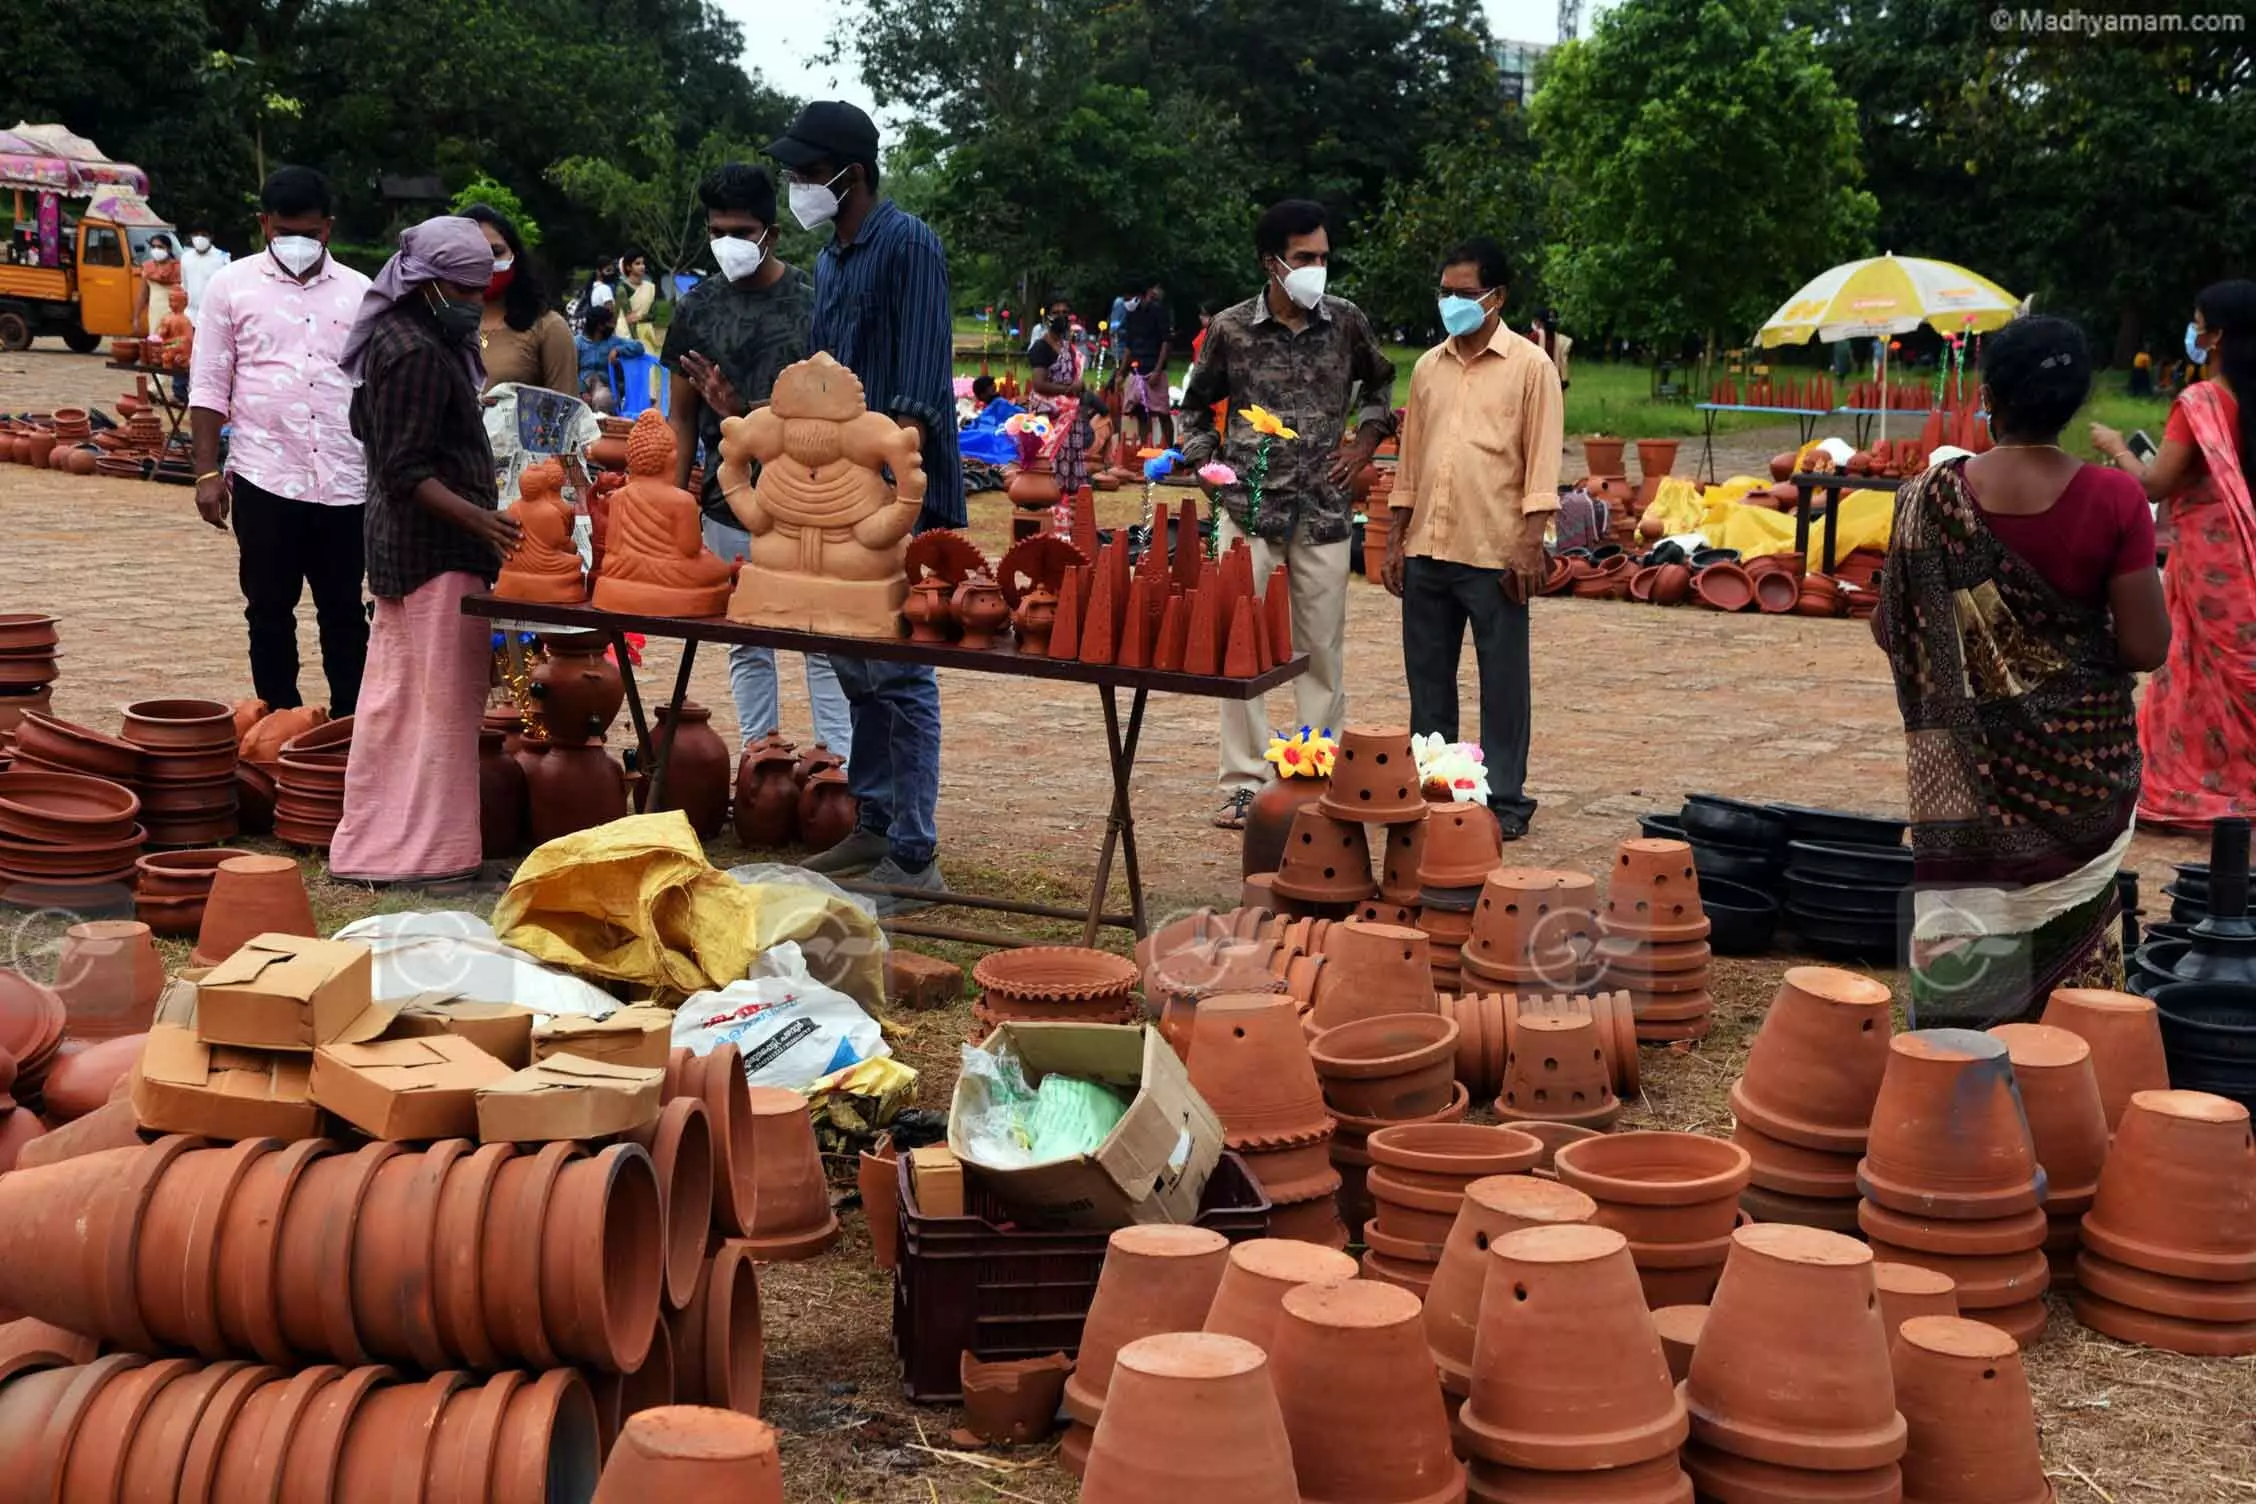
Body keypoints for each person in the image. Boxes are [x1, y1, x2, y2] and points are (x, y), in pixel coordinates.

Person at [1878, 315, 2167, 1026]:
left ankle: (1954, 1086)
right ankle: (2064, 1082)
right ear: (2076, 401)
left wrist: (1970, 665)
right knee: (2078, 991)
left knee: (1967, 976)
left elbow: (1894, 628)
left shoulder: (1928, 499)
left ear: (1989, 397)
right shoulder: (2115, 499)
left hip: (1966, 780)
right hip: (2079, 778)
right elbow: (2144, 647)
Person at [769, 100, 963, 909]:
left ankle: (915, 856)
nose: (799, 186)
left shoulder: (908, 245)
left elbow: (916, 394)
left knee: (901, 672)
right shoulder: (834, 259)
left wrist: (884, 495)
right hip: (833, 498)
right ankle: (877, 822)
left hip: (893, 496)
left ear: (852, 174)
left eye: (810, 173)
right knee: (853, 664)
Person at [1180, 198, 1396, 829]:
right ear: (1272, 263)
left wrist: (1362, 445)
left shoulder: (1347, 323)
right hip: (1248, 510)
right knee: (1239, 648)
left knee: (1321, 649)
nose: (1317, 269)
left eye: (1324, 257)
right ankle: (1246, 781)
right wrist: (1211, 473)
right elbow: (1193, 409)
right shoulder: (1231, 330)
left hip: (1326, 511)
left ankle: (1312, 774)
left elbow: (1381, 384)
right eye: (1306, 258)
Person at [328, 216, 522, 886]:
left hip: (413, 550)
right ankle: (435, 858)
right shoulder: (412, 350)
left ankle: (378, 848)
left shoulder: (408, 337)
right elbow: (405, 469)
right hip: (434, 552)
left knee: (399, 701)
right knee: (442, 704)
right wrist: (483, 522)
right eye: (469, 289)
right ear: (432, 285)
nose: (478, 300)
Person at [661, 161, 854, 761]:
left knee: (819, 637)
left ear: (770, 231)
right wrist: (674, 507)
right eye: (717, 230)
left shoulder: (813, 302)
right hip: (725, 505)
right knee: (746, 635)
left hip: (809, 504)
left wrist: (742, 411)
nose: (728, 244)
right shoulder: (696, 308)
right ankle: (760, 759)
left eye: (740, 232)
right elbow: (682, 419)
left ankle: (836, 769)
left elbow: (834, 417)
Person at [1385, 237, 1560, 840]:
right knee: (1428, 682)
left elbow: (1540, 464)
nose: (1452, 303)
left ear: (1498, 296)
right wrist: (1393, 538)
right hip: (1428, 548)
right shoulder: (1429, 368)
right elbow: (1410, 462)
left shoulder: (1532, 368)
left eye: (1465, 293)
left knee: (1503, 684)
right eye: (1446, 293)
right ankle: (1436, 785)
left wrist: (1531, 543)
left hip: (1496, 550)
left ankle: (1504, 799)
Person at [189, 166, 373, 717]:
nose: (297, 243)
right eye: (283, 231)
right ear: (263, 224)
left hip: (345, 480)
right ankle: (280, 721)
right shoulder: (231, 287)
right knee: (269, 609)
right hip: (265, 475)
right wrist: (204, 472)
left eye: (310, 233)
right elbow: (208, 381)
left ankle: (349, 724)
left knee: (344, 610)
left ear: (329, 229)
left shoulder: (361, 293)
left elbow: (372, 385)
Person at [2093, 279, 2256, 832]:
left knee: (2200, 673)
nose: (2193, 331)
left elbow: (2155, 484)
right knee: (2221, 674)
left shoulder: (2202, 402)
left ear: (2216, 337)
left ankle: (2201, 789)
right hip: (2247, 558)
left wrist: (2117, 448)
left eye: (2198, 322)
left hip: (2213, 565)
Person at [458, 203, 576, 395]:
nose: (486, 263)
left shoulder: (548, 328)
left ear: (515, 255)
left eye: (495, 252)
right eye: (472, 254)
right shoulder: (438, 325)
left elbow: (566, 415)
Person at [1025, 293, 1093, 495]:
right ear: (1046, 317)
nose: (1061, 317)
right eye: (1056, 313)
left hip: (1069, 416)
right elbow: (1039, 384)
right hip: (1050, 415)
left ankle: (1067, 504)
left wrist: (1079, 387)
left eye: (1065, 312)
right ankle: (1049, 502)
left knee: (1069, 461)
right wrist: (1067, 390)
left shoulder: (1069, 349)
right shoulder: (1041, 347)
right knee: (1050, 462)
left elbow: (1073, 378)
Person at [1121, 280, 1174, 449]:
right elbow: (1129, 345)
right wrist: (1121, 372)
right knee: (1140, 412)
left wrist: (1158, 370)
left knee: (1161, 413)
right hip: (1137, 370)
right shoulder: (1131, 315)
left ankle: (1168, 450)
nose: (1128, 302)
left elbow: (1166, 342)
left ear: (1142, 296)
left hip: (1154, 368)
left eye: (1131, 298)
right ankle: (1146, 448)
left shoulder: (1158, 312)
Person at [574, 303, 641, 409]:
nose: (612, 326)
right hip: (582, 386)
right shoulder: (578, 343)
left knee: (603, 400)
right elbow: (572, 371)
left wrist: (618, 350)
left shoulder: (612, 342)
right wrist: (582, 391)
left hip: (606, 386)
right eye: (609, 323)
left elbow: (639, 346)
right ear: (600, 326)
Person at [178, 227, 230, 317]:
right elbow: (184, 283)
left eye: (203, 235)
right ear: (191, 236)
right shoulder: (185, 257)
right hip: (191, 313)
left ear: (211, 237)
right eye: (196, 235)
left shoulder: (222, 257)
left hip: (214, 314)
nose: (199, 238)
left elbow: (228, 286)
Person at [619, 248, 660, 351]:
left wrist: (639, 316)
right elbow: (629, 319)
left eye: (643, 263)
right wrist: (636, 344)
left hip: (647, 335)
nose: (642, 266)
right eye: (637, 264)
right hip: (626, 335)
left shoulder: (650, 287)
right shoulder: (622, 289)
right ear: (628, 267)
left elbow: (653, 315)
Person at [1528, 307, 1572, 391]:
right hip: (1554, 381)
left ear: (1541, 322)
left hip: (1538, 381)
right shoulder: (1560, 339)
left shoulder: (1535, 336)